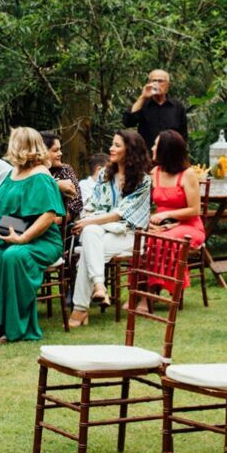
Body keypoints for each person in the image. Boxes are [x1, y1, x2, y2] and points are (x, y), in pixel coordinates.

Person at [0, 128, 67, 343]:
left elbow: (49, 215)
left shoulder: (41, 176)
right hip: (10, 230)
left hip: (42, 239)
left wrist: (23, 238)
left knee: (14, 256)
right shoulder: (13, 173)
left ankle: (17, 328)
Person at [67, 130, 154, 328]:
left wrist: (90, 222)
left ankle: (81, 307)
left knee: (89, 250)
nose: (111, 149)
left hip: (130, 234)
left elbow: (121, 214)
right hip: (100, 231)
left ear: (130, 150)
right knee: (91, 235)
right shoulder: (106, 174)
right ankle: (97, 288)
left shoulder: (143, 181)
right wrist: (89, 219)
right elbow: (94, 205)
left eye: (116, 145)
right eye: (112, 144)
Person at [147, 130, 206, 252]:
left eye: (156, 145)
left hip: (188, 226)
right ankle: (144, 272)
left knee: (161, 241)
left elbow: (195, 210)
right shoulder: (154, 172)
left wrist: (166, 214)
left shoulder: (187, 174)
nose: (152, 148)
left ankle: (167, 272)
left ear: (166, 151)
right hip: (163, 225)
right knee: (144, 239)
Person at [123, 69, 188, 150]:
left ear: (168, 85)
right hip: (147, 156)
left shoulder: (177, 106)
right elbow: (128, 122)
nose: (156, 84)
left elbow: (183, 135)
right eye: (153, 81)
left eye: (160, 81)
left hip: (170, 156)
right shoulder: (142, 104)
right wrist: (142, 97)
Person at [43, 131, 83, 227]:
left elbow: (76, 203)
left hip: (56, 226)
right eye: (55, 150)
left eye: (60, 149)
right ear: (42, 152)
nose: (60, 153)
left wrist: (53, 221)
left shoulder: (64, 170)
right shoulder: (29, 172)